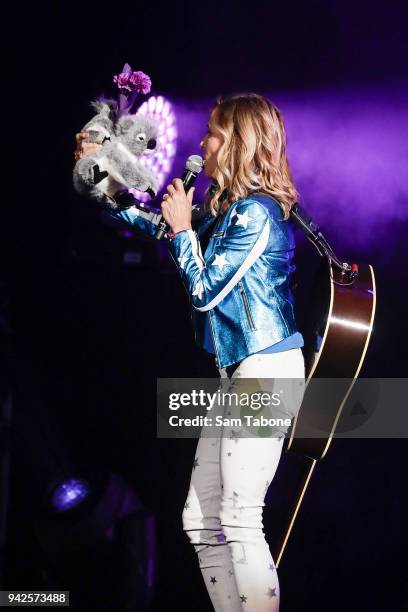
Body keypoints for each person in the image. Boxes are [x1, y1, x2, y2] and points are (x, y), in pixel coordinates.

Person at [75, 93, 305, 611]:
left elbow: (203, 289)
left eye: (213, 133)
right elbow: (154, 225)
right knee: (200, 520)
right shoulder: (227, 213)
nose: (202, 142)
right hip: (239, 376)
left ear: (238, 142)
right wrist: (97, 175)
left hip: (266, 371)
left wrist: (182, 229)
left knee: (240, 516)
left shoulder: (256, 215)